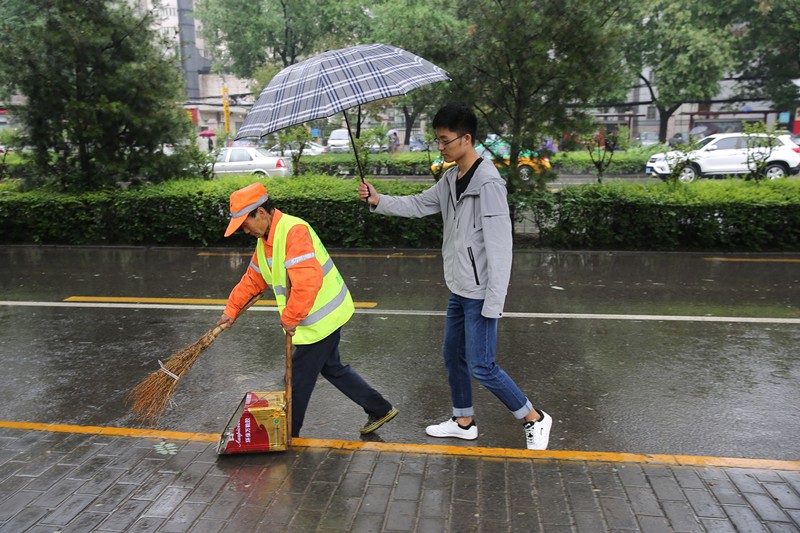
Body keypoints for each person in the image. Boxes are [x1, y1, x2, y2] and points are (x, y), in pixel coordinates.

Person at [357, 103, 552, 450]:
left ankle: (533, 417)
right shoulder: (450, 179)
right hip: (458, 287)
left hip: (479, 292)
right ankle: (463, 421)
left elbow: (500, 247)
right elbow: (418, 205)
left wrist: (494, 302)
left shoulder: (488, 183)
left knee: (483, 366)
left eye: (445, 141)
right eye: (438, 141)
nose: (441, 147)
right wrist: (378, 200)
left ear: (466, 139)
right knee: (453, 356)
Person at [217, 182, 398, 437]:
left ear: (261, 212)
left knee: (297, 380)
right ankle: (380, 408)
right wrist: (231, 310)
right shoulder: (265, 240)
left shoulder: (293, 231)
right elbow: (253, 279)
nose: (244, 230)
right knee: (332, 367)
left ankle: (288, 434)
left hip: (321, 319)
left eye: (245, 223)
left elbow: (307, 281)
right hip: (313, 319)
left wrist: (290, 317)